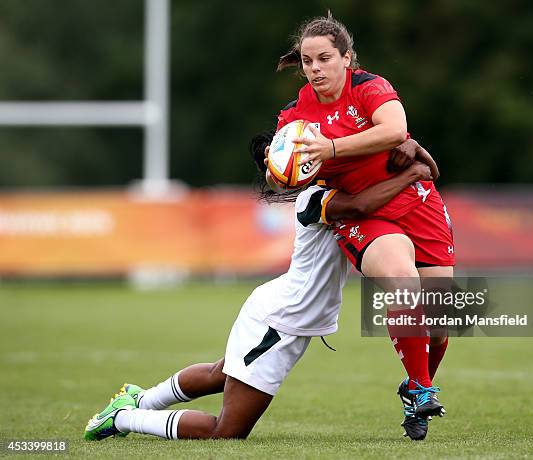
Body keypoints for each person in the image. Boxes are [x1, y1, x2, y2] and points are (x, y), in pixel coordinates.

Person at [83, 141, 434, 441]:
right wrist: (412, 172)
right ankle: (122, 418)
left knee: (218, 375)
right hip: (278, 322)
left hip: (280, 313)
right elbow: (361, 206)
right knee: (227, 431)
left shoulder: (338, 186)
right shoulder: (313, 200)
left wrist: (408, 147)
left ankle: (137, 399)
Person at [272, 13, 455, 440]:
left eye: (323, 59)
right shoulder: (296, 113)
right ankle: (426, 389)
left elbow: (396, 129)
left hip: (417, 202)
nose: (315, 69)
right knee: (400, 279)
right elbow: (278, 168)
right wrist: (278, 166)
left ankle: (414, 387)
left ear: (346, 59)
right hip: (366, 214)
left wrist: (331, 147)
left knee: (441, 321)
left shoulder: (369, 86)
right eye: (307, 61)